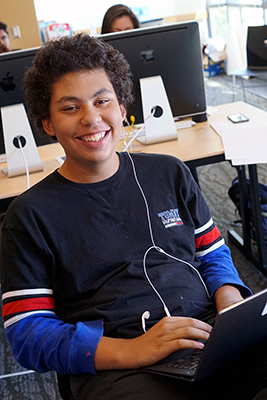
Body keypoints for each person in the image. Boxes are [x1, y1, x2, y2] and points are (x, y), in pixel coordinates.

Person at [1, 33, 267, 400]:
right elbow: (28, 333)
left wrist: (229, 304)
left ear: (122, 105)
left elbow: (212, 253)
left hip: (206, 333)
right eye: (70, 107)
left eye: (102, 100)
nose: (91, 118)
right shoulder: (29, 216)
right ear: (47, 123)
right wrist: (134, 350)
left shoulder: (170, 173)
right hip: (121, 363)